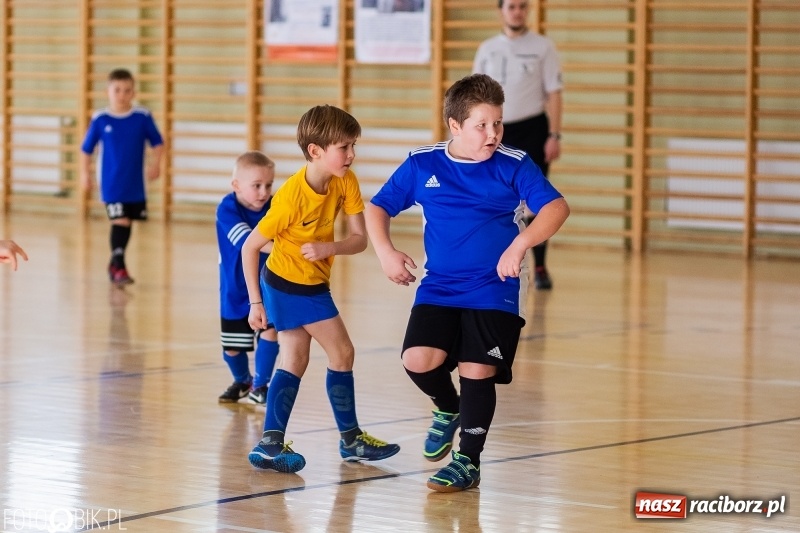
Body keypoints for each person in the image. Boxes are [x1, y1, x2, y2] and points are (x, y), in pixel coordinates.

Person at [365, 73, 569, 492]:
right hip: (439, 283)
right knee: (418, 360)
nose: (492, 134)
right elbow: (378, 208)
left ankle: (468, 462)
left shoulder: (514, 163)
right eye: (482, 125)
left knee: (479, 368)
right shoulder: (423, 164)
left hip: (496, 286)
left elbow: (556, 208)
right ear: (455, 126)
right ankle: (447, 408)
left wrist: (519, 246)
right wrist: (386, 253)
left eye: (498, 123)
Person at [241, 104, 401, 473]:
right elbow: (250, 247)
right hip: (288, 284)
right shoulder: (289, 199)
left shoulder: (346, 180)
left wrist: (331, 248)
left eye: (353, 146)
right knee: (342, 352)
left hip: (310, 280)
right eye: (344, 147)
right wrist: (254, 302)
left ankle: (269, 445)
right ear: (316, 151)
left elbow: (359, 239)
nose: (352, 155)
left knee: (294, 359)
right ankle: (351, 440)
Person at [472, 0, 563, 290]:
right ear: (501, 10)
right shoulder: (487, 49)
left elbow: (554, 93)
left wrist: (554, 134)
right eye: (512, 6)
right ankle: (491, 259)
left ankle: (539, 265)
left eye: (523, 6)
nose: (517, 11)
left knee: (537, 201)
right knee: (490, 197)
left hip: (532, 128)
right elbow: (473, 95)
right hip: (495, 128)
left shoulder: (543, 46)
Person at [80, 68, 164, 286]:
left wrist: (156, 165)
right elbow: (86, 149)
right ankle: (118, 264)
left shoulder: (142, 117)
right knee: (120, 219)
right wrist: (84, 173)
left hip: (135, 182)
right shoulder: (100, 119)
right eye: (117, 90)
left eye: (127, 90)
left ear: (133, 92)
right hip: (111, 182)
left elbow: (158, 143)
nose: (122, 95)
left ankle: (116, 263)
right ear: (107, 91)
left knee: (127, 222)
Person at [216, 151, 281, 404]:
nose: (263, 192)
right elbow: (249, 242)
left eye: (268, 185)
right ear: (236, 185)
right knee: (232, 347)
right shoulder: (227, 209)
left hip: (268, 286)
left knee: (270, 331)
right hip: (235, 288)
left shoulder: (276, 207)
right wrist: (291, 252)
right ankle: (242, 380)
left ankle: (260, 385)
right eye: (256, 186)